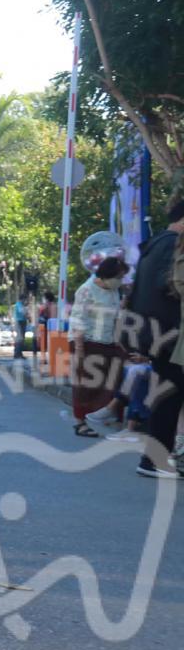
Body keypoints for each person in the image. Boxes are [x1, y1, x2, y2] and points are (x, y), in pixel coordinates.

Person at [124, 200, 184, 478]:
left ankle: (155, 458)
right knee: (169, 397)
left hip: (154, 334)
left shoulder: (153, 245)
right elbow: (173, 289)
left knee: (167, 396)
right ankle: (155, 460)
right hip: (173, 335)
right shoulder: (174, 246)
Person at [68, 256, 128, 438]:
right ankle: (80, 423)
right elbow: (78, 320)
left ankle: (108, 415)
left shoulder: (114, 291)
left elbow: (116, 317)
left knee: (119, 377)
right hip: (86, 341)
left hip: (108, 341)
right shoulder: (86, 290)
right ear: (106, 275)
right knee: (86, 383)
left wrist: (119, 342)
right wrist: (80, 350)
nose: (120, 281)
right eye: (118, 277)